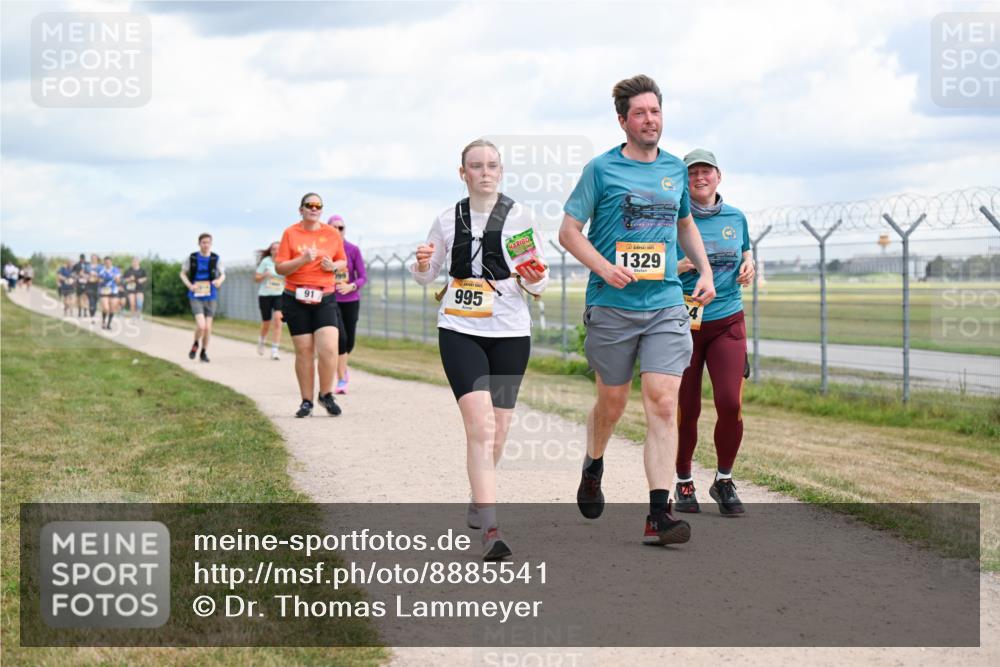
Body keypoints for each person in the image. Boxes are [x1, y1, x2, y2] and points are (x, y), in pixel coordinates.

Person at [558, 75, 716, 547]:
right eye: (641, 113)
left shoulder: (673, 170)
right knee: (613, 403)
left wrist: (704, 270)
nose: (651, 120)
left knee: (664, 403)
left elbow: (685, 225)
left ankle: (657, 514)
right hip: (612, 306)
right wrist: (605, 268)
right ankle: (594, 463)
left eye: (656, 111)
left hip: (666, 302)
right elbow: (568, 232)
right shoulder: (601, 170)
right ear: (623, 120)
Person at [411, 139, 549, 560]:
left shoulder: (520, 217)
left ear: (501, 171)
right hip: (459, 328)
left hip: (509, 330)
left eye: (492, 165)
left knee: (500, 428)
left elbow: (538, 284)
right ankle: (491, 528)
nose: (485, 172)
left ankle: (478, 493)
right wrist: (420, 265)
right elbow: (427, 275)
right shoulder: (446, 219)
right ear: (463, 173)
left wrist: (533, 275)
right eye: (476, 166)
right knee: (481, 427)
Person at [674, 149, 755, 516]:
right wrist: (680, 264)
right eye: (692, 173)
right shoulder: (673, 221)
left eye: (706, 171)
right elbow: (652, 267)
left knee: (730, 402)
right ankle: (683, 481)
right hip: (683, 324)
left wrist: (751, 264)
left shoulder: (736, 218)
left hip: (727, 322)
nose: (700, 178)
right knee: (686, 408)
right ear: (683, 180)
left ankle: (724, 480)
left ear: (718, 176)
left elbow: (746, 252)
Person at [275, 193, 347, 418]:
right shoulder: (290, 233)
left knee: (328, 348)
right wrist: (302, 260)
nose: (314, 209)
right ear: (301, 209)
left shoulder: (331, 233)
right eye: (309, 205)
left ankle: (326, 394)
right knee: (304, 351)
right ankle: (306, 400)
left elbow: (342, 260)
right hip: (296, 297)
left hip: (324, 297)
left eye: (318, 206)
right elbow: (280, 268)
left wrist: (332, 265)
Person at [328, 215, 367, 394]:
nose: (337, 231)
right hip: (330, 301)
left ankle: (342, 369)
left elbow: (363, 277)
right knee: (340, 340)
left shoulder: (353, 250)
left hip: (351, 300)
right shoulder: (324, 251)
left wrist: (351, 286)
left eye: (340, 227)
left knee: (349, 342)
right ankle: (341, 378)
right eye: (333, 227)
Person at [180, 233, 225, 362]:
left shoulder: (216, 258)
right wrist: (189, 285)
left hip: (211, 295)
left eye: (208, 242)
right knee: (201, 326)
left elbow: (223, 274)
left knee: (208, 328)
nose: (206, 245)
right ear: (199, 243)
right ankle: (195, 343)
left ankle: (203, 352)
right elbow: (183, 273)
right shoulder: (192, 258)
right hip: (195, 295)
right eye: (203, 242)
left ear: (211, 244)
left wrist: (219, 281)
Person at [255, 241, 285, 360]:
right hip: (265, 295)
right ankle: (262, 340)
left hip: (279, 294)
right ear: (271, 251)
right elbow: (256, 278)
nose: (276, 251)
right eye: (273, 249)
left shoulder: (284, 261)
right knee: (266, 322)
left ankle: (274, 349)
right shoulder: (266, 261)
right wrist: (264, 275)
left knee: (278, 320)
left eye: (278, 249)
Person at [97, 256, 121, 330]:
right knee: (106, 308)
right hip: (104, 290)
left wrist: (116, 278)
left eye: (109, 262)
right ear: (104, 262)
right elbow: (98, 279)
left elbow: (118, 282)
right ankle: (104, 321)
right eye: (106, 262)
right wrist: (100, 280)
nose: (107, 263)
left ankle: (109, 324)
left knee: (113, 308)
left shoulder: (115, 270)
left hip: (113, 290)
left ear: (111, 262)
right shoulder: (101, 269)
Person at [84, 254, 101, 319]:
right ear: (91, 259)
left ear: (97, 259)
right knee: (91, 300)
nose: (93, 259)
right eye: (92, 258)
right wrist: (87, 276)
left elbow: (102, 275)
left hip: (97, 285)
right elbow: (83, 273)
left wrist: (97, 275)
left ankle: (93, 313)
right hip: (89, 285)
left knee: (95, 301)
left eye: (95, 258)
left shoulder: (100, 267)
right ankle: (92, 314)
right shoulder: (87, 266)